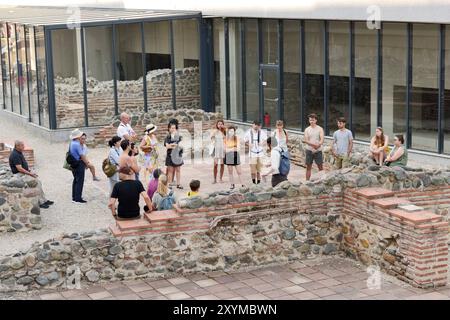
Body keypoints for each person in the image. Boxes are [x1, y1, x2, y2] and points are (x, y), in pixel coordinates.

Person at [8, 140, 54, 209]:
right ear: (17, 146)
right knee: (36, 183)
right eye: (22, 145)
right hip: (19, 174)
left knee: (38, 182)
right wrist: (30, 174)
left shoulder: (19, 152)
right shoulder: (15, 155)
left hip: (23, 173)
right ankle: (40, 202)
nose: (24, 147)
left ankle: (44, 200)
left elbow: (23, 166)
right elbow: (19, 168)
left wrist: (30, 171)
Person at [69, 129, 90, 203]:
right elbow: (82, 156)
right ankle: (78, 198)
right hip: (79, 163)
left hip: (73, 163)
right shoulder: (77, 144)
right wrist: (87, 164)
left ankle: (74, 197)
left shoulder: (72, 142)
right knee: (80, 181)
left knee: (76, 180)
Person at [244, 120, 267, 184]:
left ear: (259, 126)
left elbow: (265, 140)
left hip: (260, 153)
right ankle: (254, 183)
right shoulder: (248, 132)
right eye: (255, 125)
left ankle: (258, 183)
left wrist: (262, 143)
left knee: (259, 170)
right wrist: (249, 145)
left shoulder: (262, 132)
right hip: (252, 154)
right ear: (252, 125)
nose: (256, 126)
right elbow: (245, 141)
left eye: (258, 125)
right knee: (253, 171)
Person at [303, 113, 324, 181]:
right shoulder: (307, 129)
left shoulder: (320, 129)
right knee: (308, 167)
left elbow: (322, 139)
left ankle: (322, 181)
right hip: (309, 150)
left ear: (316, 120)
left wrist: (318, 145)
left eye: (313, 120)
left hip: (318, 150)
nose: (311, 121)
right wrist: (314, 145)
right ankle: (307, 182)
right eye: (310, 120)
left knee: (320, 167)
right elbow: (306, 140)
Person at [164, 119, 184, 189]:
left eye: (175, 128)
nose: (173, 129)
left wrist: (172, 145)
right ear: (169, 129)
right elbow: (167, 146)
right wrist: (172, 145)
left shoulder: (179, 137)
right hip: (170, 155)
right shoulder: (167, 137)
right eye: (172, 128)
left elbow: (180, 145)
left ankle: (178, 183)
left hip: (177, 155)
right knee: (170, 171)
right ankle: (169, 184)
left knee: (178, 170)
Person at [224, 125, 245, 190]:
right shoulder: (225, 139)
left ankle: (243, 184)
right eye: (230, 131)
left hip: (236, 156)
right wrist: (233, 148)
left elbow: (238, 149)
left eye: (232, 131)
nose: (231, 132)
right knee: (230, 171)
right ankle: (232, 184)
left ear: (234, 132)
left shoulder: (236, 138)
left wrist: (229, 149)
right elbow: (225, 150)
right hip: (228, 156)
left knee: (239, 171)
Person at [211, 120, 226, 184]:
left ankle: (220, 178)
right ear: (217, 125)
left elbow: (227, 139)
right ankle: (214, 179)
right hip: (216, 149)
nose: (220, 125)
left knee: (222, 164)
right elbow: (212, 138)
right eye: (219, 124)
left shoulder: (225, 132)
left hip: (222, 149)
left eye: (221, 124)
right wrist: (213, 138)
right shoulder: (215, 131)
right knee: (215, 165)